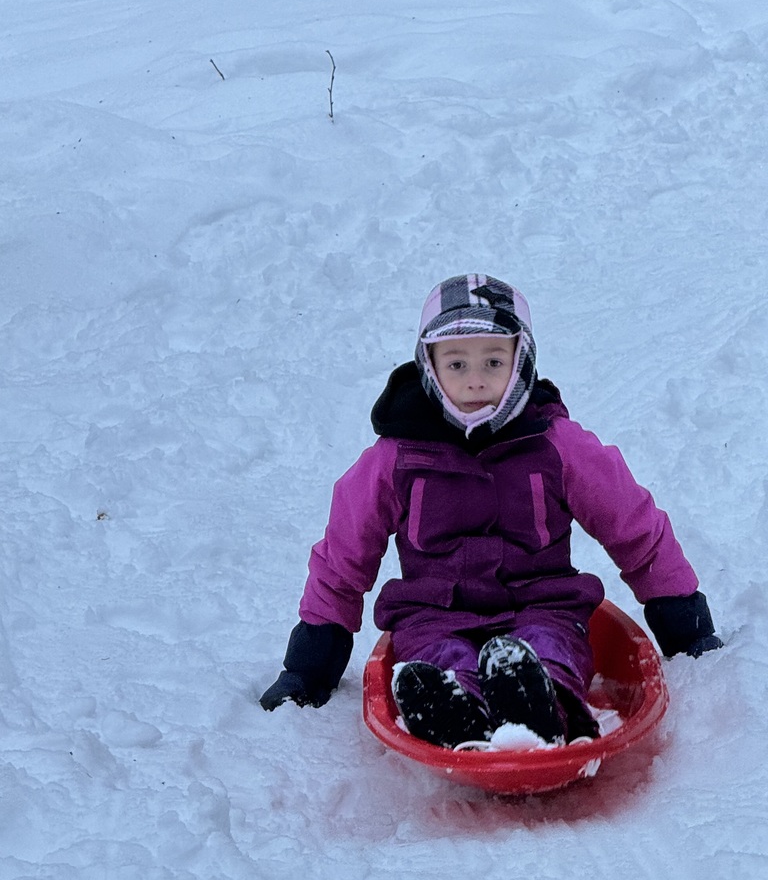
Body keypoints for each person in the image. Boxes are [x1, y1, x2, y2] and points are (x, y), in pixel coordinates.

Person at [260, 274, 722, 748]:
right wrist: (311, 664)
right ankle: (453, 709)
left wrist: (683, 622)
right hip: (434, 614)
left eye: (494, 361)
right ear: (429, 366)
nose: (475, 379)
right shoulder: (395, 460)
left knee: (547, 650)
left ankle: (544, 706)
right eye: (456, 363)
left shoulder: (556, 446)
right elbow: (344, 557)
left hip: (544, 606)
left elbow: (634, 527)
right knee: (438, 658)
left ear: (521, 361)